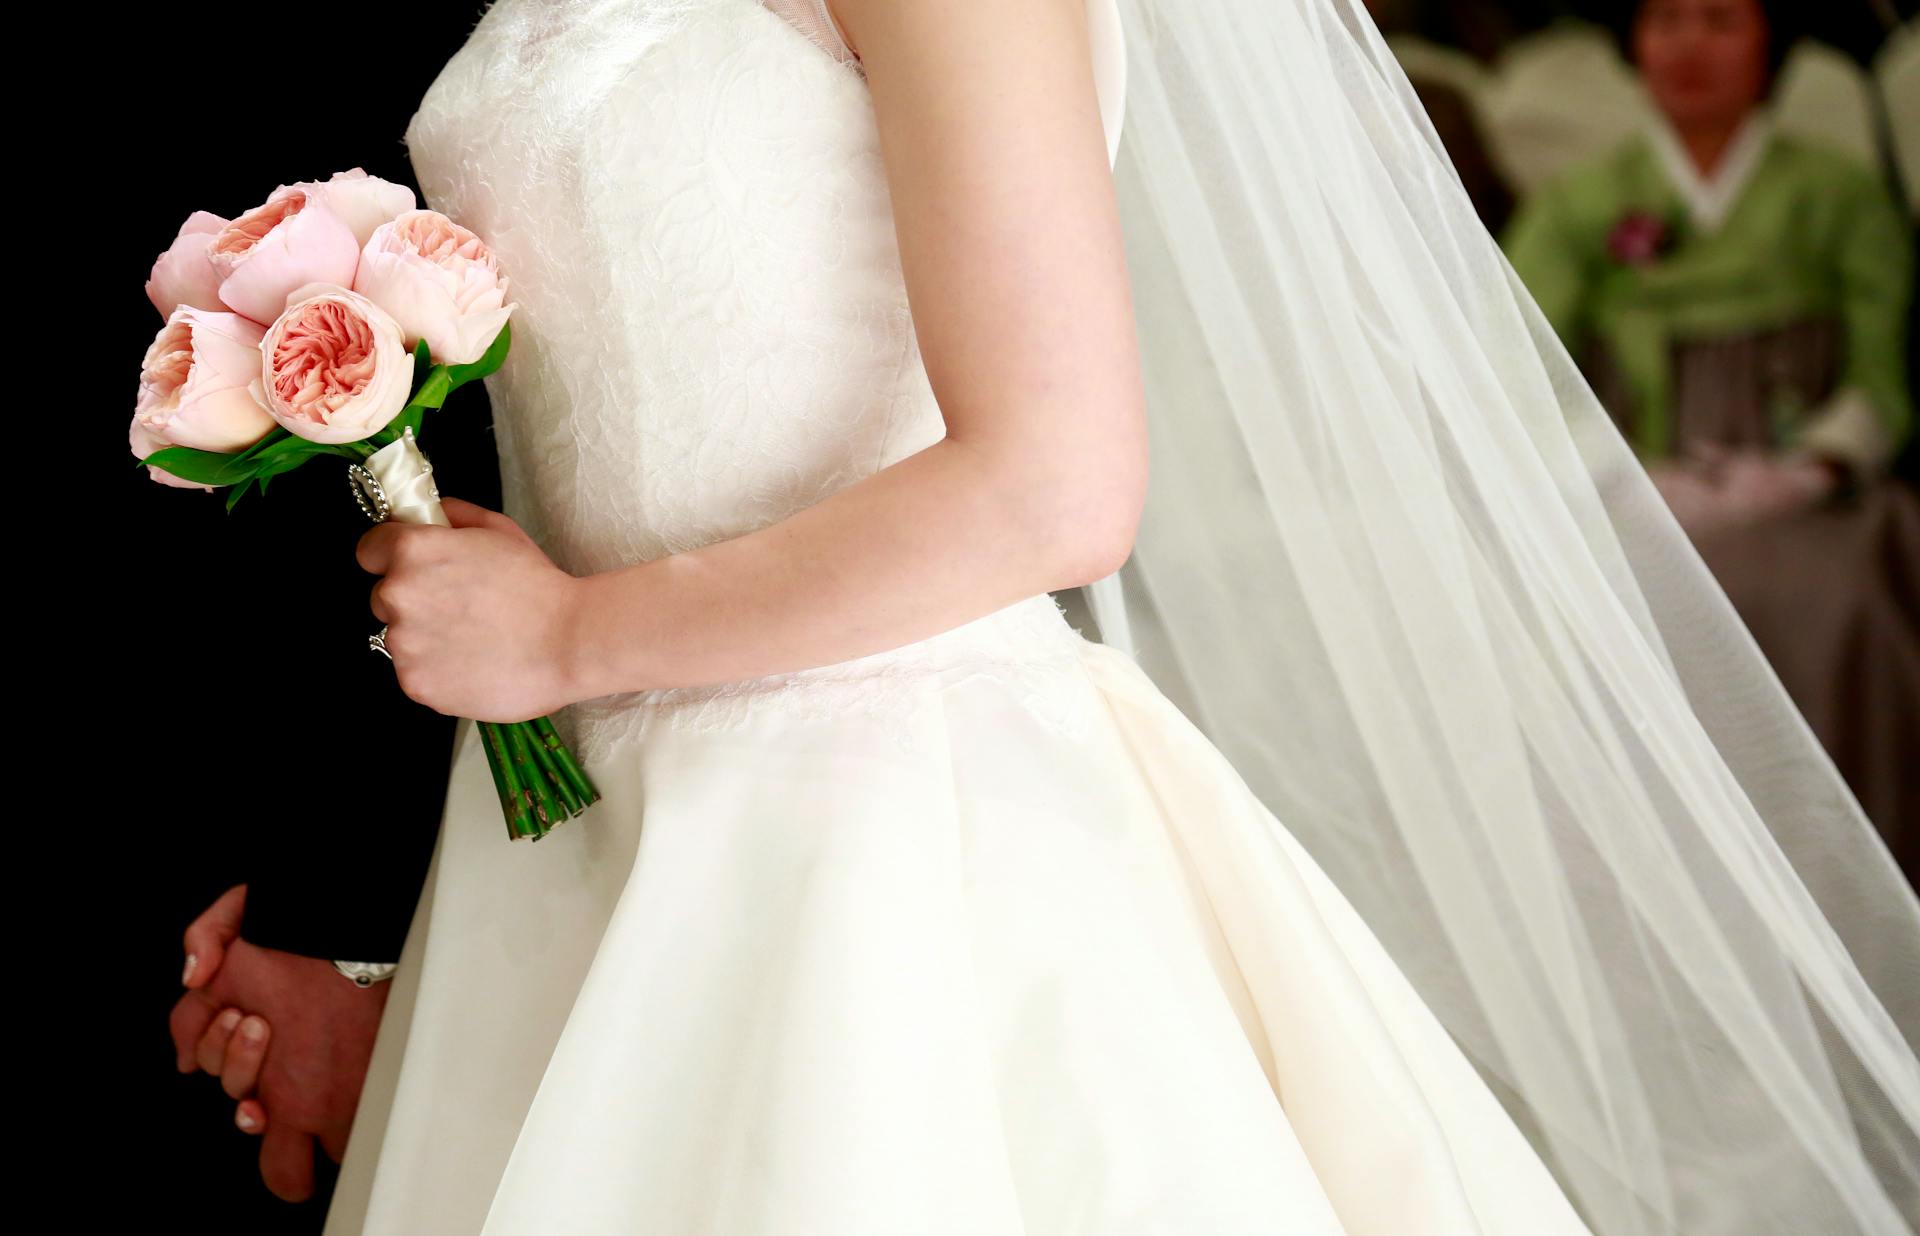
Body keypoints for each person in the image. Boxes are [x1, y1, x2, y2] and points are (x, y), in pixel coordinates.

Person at [172, 1, 1920, 1233]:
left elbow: (1057, 480)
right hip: (580, 857)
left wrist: (562, 637)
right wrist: (442, 1008)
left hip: (903, 849)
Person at [1500, 0, 1920, 875]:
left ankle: (1837, 866)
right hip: (1634, 484)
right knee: (1586, 599)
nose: (1690, 46)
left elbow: (1886, 371)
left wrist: (1812, 469)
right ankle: (1648, 876)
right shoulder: (1583, 204)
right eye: (1666, 20)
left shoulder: (1838, 194)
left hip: (1806, 493)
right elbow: (1510, 359)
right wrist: (1617, 473)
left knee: (1838, 599)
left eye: (1721, 20)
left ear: (1773, 42)